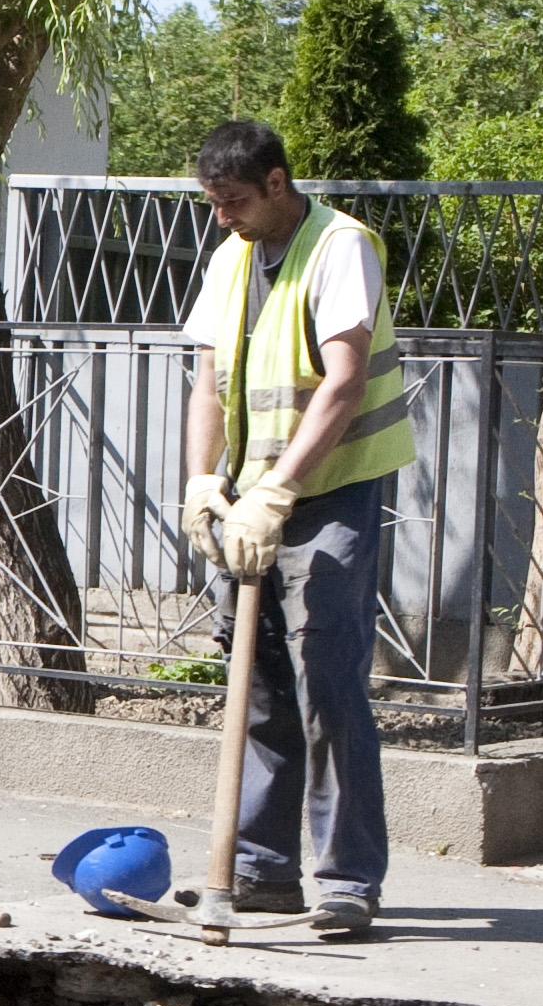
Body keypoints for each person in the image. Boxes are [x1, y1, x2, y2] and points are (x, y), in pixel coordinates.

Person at [174, 119, 413, 938]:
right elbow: (208, 381)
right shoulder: (230, 257)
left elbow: (342, 384)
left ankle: (347, 881)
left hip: (329, 492)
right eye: (212, 203)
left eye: (233, 202)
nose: (222, 218)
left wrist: (277, 491)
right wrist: (203, 482)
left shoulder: (340, 248)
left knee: (328, 683)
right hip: (247, 497)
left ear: (276, 183)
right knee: (260, 682)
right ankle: (260, 872)